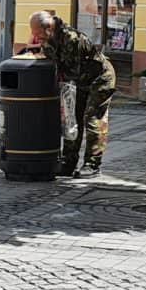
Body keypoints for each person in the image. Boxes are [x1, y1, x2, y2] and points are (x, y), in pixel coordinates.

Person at [29, 10, 115, 179]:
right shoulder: (49, 39)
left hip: (100, 79)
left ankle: (92, 165)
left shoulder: (72, 39)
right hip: (79, 81)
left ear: (48, 28)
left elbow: (70, 71)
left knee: (92, 118)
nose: (36, 38)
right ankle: (68, 162)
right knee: (71, 120)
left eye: (38, 34)